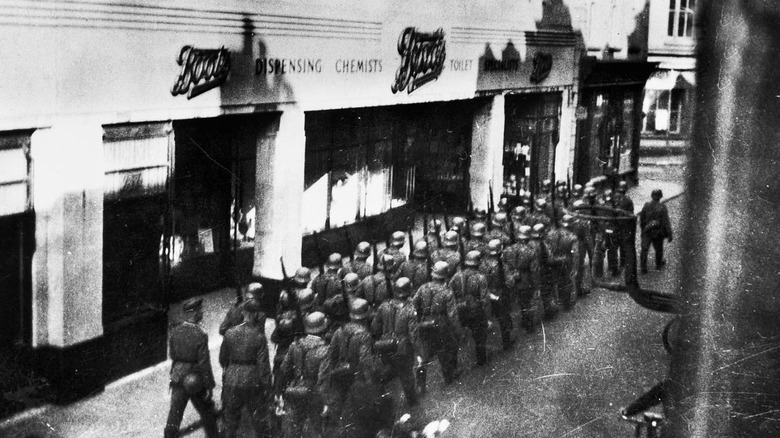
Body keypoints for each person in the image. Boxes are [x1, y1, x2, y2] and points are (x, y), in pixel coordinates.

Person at [320, 298, 390, 438]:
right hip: (360, 379)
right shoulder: (364, 334)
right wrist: (375, 380)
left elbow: (330, 358)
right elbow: (366, 362)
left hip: (342, 378)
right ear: (365, 316)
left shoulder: (339, 331)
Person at [164, 298, 219, 438]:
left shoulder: (175, 331)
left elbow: (173, 355)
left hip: (177, 376)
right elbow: (204, 363)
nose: (202, 312)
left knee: (174, 415)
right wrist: (209, 386)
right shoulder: (200, 335)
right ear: (193, 313)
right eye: (200, 310)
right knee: (206, 412)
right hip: (194, 380)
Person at [220, 299, 273, 438]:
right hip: (252, 380)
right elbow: (263, 366)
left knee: (230, 420)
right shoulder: (259, 336)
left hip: (232, 378)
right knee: (258, 419)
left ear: (243, 312)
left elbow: (222, 358)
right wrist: (267, 387)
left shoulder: (229, 333)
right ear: (256, 314)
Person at [276, 311, 330, 438]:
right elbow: (323, 380)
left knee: (293, 426)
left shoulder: (295, 345)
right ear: (323, 329)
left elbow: (283, 371)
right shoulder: (325, 350)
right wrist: (326, 402)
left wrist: (279, 394)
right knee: (314, 428)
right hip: (314, 392)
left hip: (295, 388)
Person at [413, 261, 463, 392]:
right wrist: (458, 332)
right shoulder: (447, 292)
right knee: (444, 350)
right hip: (440, 325)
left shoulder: (423, 288)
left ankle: (420, 384)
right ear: (445, 276)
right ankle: (449, 377)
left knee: (423, 355)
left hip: (424, 322)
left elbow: (414, 305)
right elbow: (452, 315)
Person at [371, 277, 419, 407]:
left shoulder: (384, 306)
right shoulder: (410, 309)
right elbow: (414, 334)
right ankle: (413, 403)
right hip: (402, 349)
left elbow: (375, 328)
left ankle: (378, 387)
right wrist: (417, 351)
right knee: (407, 376)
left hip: (385, 346)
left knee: (391, 368)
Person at [449, 251, 491, 366]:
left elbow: (449, 293)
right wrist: (487, 318)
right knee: (480, 336)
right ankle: (481, 360)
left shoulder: (456, 276)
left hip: (460, 310)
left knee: (456, 339)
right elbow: (484, 300)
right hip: (476, 311)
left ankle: (453, 365)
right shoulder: (480, 278)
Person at [479, 240, 515, 350]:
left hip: (487, 295)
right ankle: (507, 343)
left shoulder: (482, 264)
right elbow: (510, 282)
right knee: (504, 319)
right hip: (500, 295)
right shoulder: (502, 265)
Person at [639, 189, 673, 274]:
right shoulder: (662, 207)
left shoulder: (646, 205)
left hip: (647, 231)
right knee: (659, 249)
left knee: (644, 249)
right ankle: (658, 264)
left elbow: (642, 218)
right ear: (660, 197)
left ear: (652, 196)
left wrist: (643, 229)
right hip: (657, 232)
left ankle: (643, 268)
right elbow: (666, 222)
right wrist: (669, 234)